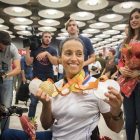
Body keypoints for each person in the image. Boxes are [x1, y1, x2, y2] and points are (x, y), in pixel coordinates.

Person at [1, 37, 124, 140]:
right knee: (7, 135)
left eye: (79, 54)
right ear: (59, 57)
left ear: (84, 58)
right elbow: (46, 125)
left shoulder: (97, 87)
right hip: (55, 136)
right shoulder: (56, 86)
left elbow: (116, 128)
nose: (74, 58)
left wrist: (116, 112)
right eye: (68, 53)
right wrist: (46, 104)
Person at [118, 8, 140, 140]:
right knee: (130, 118)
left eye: (137, 17)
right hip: (127, 85)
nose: (134, 20)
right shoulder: (126, 40)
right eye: (131, 18)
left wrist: (138, 73)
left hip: (138, 83)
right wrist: (121, 69)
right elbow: (121, 61)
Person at [25, 31, 58, 118]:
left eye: (49, 37)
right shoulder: (35, 49)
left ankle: (50, 124)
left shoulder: (52, 50)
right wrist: (27, 50)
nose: (47, 38)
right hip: (36, 79)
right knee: (33, 102)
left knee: (50, 102)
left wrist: (47, 53)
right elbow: (28, 63)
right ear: (42, 38)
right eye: (46, 36)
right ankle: (30, 123)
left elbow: (55, 62)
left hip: (49, 79)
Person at [0, 31, 21, 131]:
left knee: (6, 107)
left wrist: (5, 75)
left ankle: (4, 133)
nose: (3, 50)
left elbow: (18, 68)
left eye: (5, 48)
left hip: (6, 79)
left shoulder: (12, 48)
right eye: (1, 48)